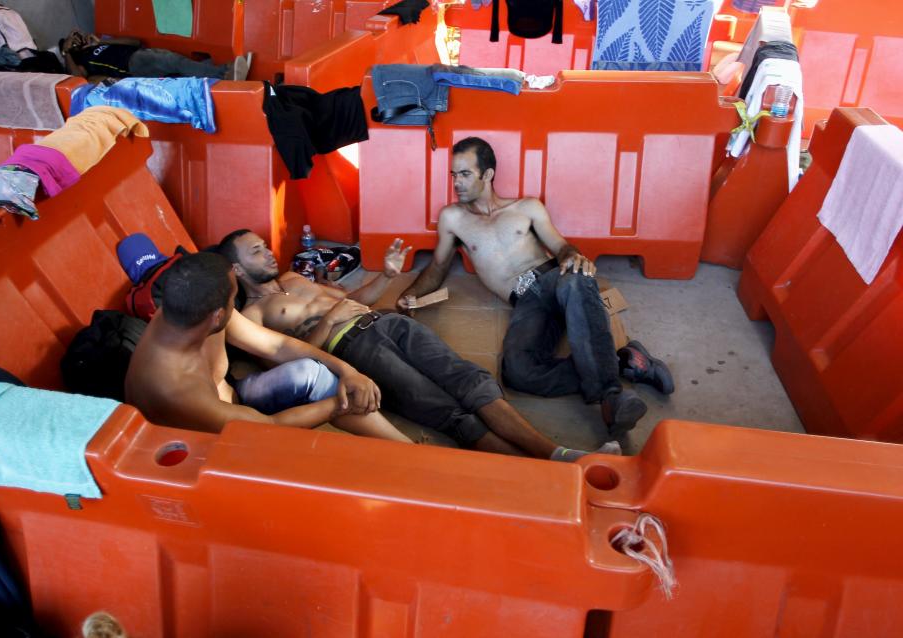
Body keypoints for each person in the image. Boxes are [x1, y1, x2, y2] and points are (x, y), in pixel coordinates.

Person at [217, 229, 621, 461]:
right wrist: (328, 321)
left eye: (265, 245)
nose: (269, 252)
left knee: (469, 380)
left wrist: (387, 276)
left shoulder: (294, 278)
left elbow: (354, 299)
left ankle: (562, 457)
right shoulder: (253, 317)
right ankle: (537, 473)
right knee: (447, 412)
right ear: (237, 268)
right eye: (257, 251)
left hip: (386, 321)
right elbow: (296, 365)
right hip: (353, 350)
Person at [397, 137, 674, 439]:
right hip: (526, 301)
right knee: (518, 373)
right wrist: (410, 294)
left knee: (576, 279)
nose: (456, 183)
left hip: (556, 278)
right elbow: (437, 268)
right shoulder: (453, 218)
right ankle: (624, 361)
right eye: (453, 175)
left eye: (465, 174)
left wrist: (571, 256)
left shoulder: (526, 207)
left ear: (487, 175)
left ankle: (611, 397)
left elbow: (560, 246)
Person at [124, 251, 411, 443]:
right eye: (233, 298)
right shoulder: (174, 388)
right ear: (217, 315)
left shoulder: (191, 313)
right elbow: (269, 428)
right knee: (336, 398)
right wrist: (339, 403)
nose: (236, 303)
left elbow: (277, 346)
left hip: (236, 402)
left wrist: (348, 372)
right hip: (218, 448)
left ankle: (408, 449)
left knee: (317, 374)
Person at [60, 29, 249, 83]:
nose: (78, 40)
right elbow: (78, 78)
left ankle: (224, 76)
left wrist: (101, 42)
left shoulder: (97, 44)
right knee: (174, 61)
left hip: (138, 54)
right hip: (131, 66)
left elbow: (135, 41)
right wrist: (67, 52)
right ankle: (224, 72)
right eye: (73, 41)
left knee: (181, 70)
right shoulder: (82, 61)